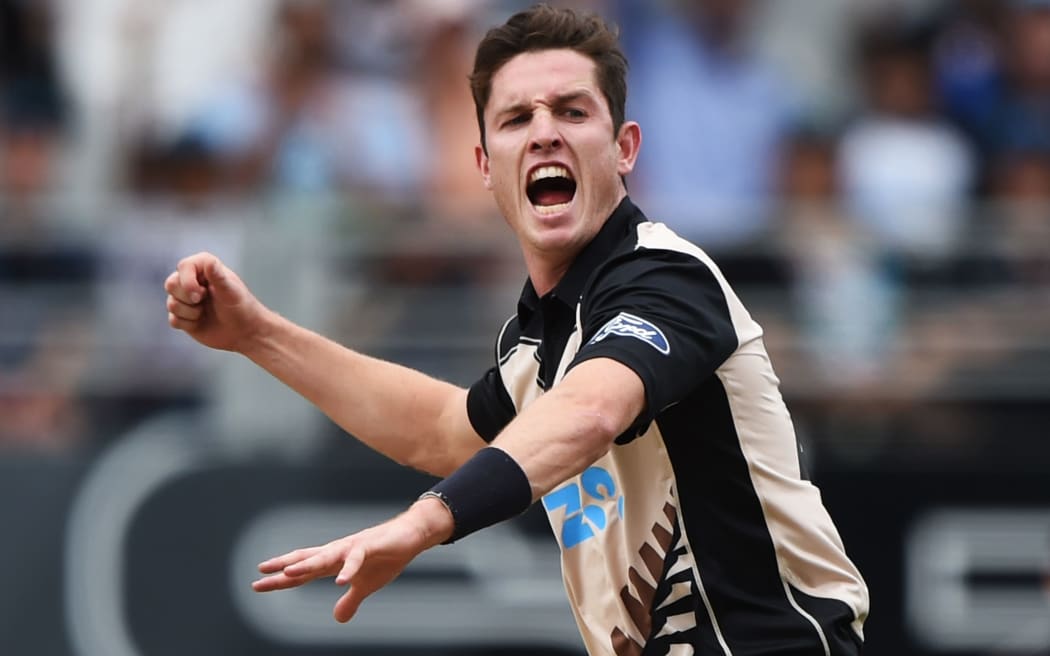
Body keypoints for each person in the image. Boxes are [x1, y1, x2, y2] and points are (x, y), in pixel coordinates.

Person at [164, 5, 868, 654]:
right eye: (515, 118)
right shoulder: (533, 346)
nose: (544, 132)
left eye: (572, 111)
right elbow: (439, 432)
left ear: (624, 148)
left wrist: (421, 524)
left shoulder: (666, 276)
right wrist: (257, 335)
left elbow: (592, 411)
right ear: (484, 167)